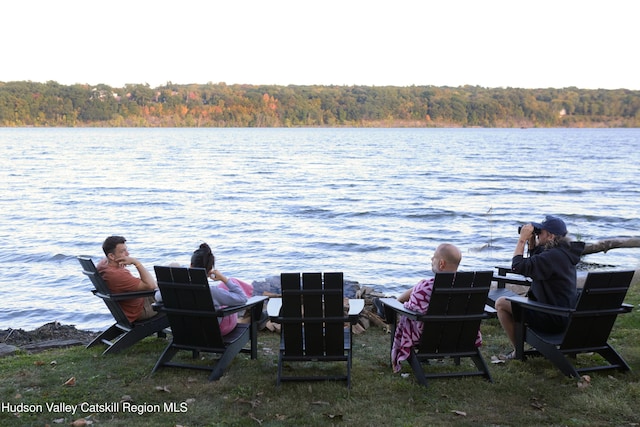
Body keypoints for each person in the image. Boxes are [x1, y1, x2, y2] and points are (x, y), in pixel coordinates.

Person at [495, 215, 585, 360]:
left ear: (550, 236)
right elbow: (537, 265)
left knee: (501, 303)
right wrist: (532, 243)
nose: (537, 235)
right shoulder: (563, 253)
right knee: (520, 300)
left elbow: (517, 266)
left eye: (540, 233)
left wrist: (522, 240)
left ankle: (518, 351)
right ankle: (519, 349)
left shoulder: (551, 257)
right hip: (565, 317)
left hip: (550, 319)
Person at [390, 243, 481, 373]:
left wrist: (397, 303)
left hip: (426, 339)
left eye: (434, 257)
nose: (431, 259)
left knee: (405, 315)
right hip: (461, 337)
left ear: (441, 264)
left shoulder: (425, 287)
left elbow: (410, 307)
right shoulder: (468, 287)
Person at [155, 243, 253, 335]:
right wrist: (224, 279)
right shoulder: (212, 291)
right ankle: (247, 318)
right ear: (210, 270)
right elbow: (242, 298)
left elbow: (157, 296)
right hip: (214, 331)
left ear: (191, 265)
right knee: (229, 285)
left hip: (186, 329)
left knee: (220, 295)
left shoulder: (176, 290)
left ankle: (245, 318)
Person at [97, 236, 159, 322]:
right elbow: (151, 286)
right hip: (140, 310)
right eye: (123, 251)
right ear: (111, 256)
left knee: (167, 283)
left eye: (126, 250)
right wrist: (136, 262)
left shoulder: (103, 265)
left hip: (131, 306)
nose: (127, 254)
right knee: (176, 291)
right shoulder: (118, 275)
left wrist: (118, 263)